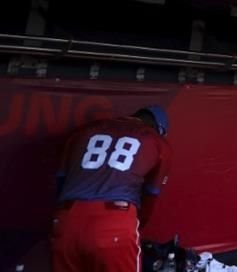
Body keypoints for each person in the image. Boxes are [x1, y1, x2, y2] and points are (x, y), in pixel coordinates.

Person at [51, 106, 171, 272]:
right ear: (158, 128)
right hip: (115, 219)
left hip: (67, 217)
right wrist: (136, 224)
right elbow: (151, 194)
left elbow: (60, 180)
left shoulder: (84, 130)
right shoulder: (157, 141)